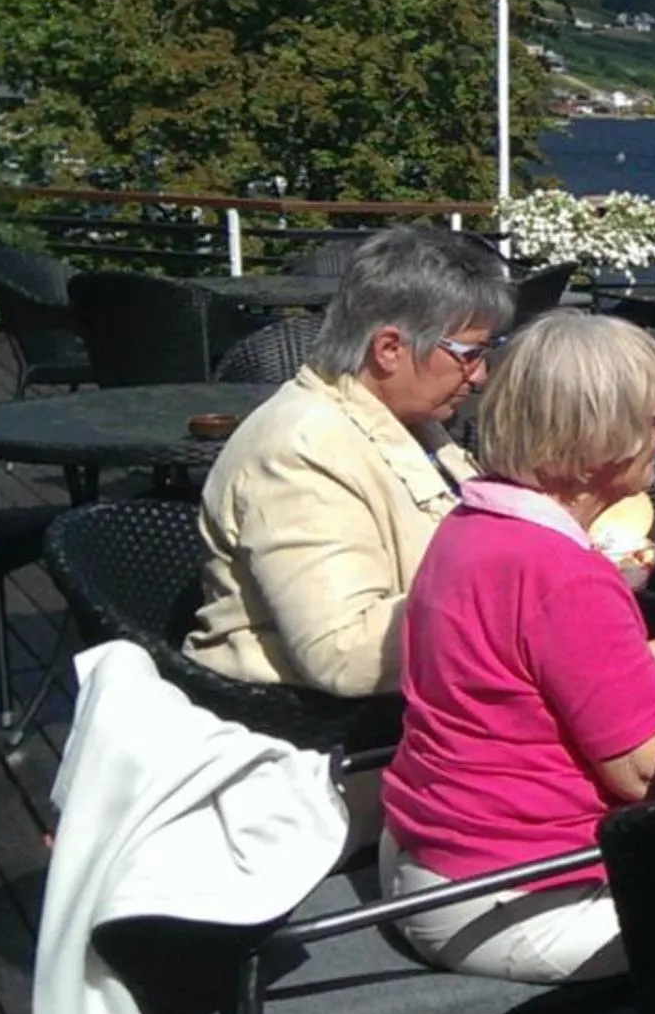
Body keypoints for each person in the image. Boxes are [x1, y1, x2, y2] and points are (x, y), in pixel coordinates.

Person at [378, 313, 655, 983]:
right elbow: (641, 772)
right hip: (516, 895)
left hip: (427, 855)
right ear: (601, 435)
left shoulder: (475, 524)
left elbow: (581, 683)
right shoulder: (564, 573)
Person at [186, 227, 512, 696]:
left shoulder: (409, 419)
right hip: (310, 722)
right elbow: (344, 653)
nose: (479, 375)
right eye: (470, 354)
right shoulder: (299, 451)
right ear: (389, 349)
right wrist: (515, 596)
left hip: (419, 699)